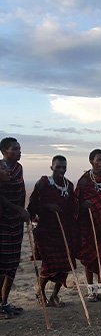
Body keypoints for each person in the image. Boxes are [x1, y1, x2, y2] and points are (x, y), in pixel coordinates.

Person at [27, 156, 77, 307]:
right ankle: (40, 292)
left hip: (64, 230)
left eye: (64, 167)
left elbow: (71, 207)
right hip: (46, 230)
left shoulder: (69, 185)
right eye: (58, 167)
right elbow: (32, 207)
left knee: (67, 264)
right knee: (49, 265)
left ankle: (55, 295)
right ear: (52, 167)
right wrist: (48, 206)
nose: (61, 170)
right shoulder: (43, 183)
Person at [75, 149, 101, 302]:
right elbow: (75, 202)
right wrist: (83, 205)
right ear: (91, 161)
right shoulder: (84, 180)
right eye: (99, 160)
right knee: (90, 258)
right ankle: (91, 291)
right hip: (88, 225)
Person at [0, 137, 30, 319]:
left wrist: (23, 212)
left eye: (19, 148)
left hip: (16, 222)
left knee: (12, 263)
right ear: (4, 151)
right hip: (3, 220)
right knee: (2, 264)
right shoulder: (0, 168)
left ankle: (4, 302)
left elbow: (20, 192)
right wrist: (18, 209)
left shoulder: (19, 168)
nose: (19, 151)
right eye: (15, 149)